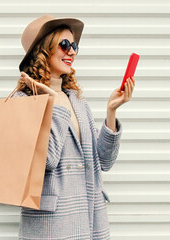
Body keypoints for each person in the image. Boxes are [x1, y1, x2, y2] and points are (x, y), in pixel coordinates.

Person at [11, 15, 135, 239]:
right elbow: (47, 160)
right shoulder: (25, 100)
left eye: (74, 45)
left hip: (90, 216)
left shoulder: (77, 101)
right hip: (52, 222)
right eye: (64, 44)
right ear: (42, 50)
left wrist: (111, 112)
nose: (72, 51)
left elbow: (103, 162)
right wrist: (53, 102)